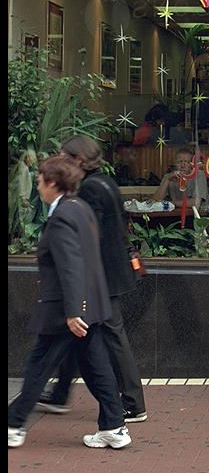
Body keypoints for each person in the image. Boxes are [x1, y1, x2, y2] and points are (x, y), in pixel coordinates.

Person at [8, 156, 131, 449]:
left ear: (53, 183)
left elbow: (71, 266)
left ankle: (13, 424)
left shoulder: (62, 217)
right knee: (95, 365)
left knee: (39, 364)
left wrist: (75, 311)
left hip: (66, 309)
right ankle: (113, 426)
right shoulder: (81, 208)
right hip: (89, 305)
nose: (37, 185)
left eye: (40, 180)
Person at [36, 135, 147, 423]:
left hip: (102, 276)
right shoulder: (105, 182)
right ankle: (60, 394)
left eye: (64, 157)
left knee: (111, 335)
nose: (59, 161)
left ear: (78, 161)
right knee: (81, 331)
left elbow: (87, 236)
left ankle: (134, 403)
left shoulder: (89, 189)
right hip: (109, 271)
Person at [152, 146, 209, 227]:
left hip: (196, 218)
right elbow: (155, 201)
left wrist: (171, 203)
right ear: (175, 164)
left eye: (186, 162)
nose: (183, 165)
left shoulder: (199, 175)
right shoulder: (169, 176)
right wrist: (167, 180)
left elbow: (195, 203)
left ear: (192, 164)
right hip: (174, 218)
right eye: (179, 162)